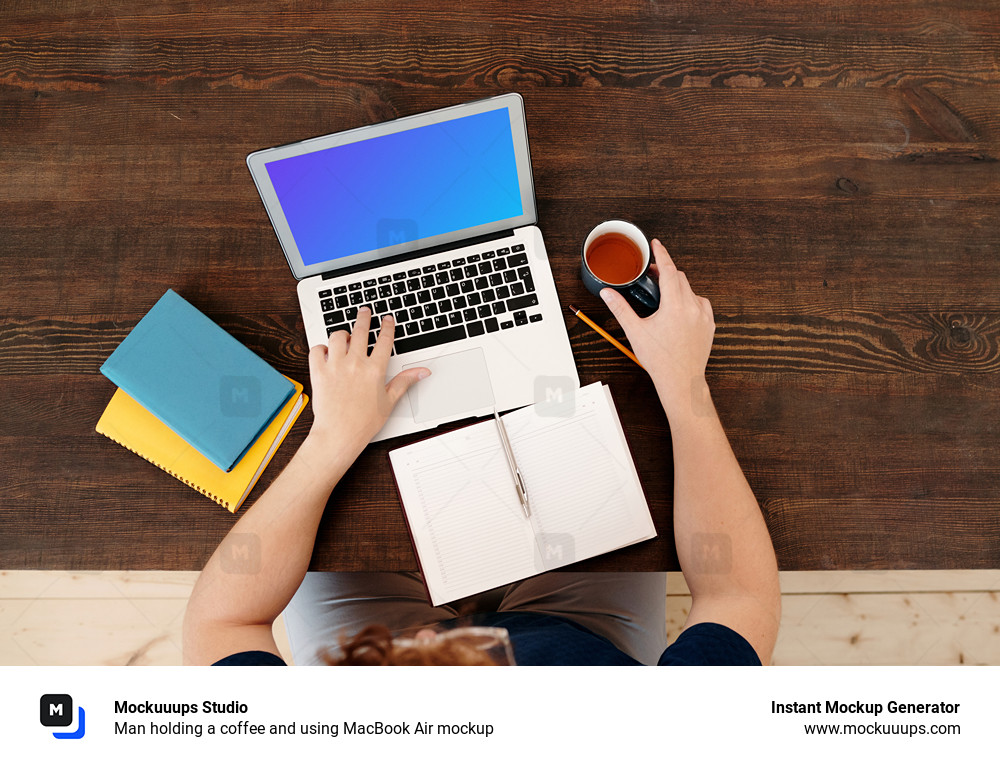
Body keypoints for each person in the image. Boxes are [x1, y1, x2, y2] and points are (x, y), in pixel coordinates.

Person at [183, 240, 781, 666]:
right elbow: (739, 599)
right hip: (577, 636)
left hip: (380, 638)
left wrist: (330, 442)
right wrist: (684, 386)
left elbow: (220, 625)